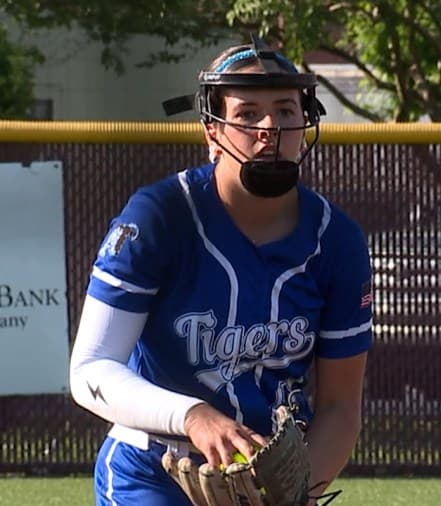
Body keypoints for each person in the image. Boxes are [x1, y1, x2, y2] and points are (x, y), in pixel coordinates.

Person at [69, 35, 372, 506]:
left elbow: (339, 407)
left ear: (306, 121)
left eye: (286, 110)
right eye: (248, 113)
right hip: (155, 468)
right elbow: (91, 369)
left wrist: (295, 494)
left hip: (272, 478)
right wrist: (192, 416)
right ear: (212, 129)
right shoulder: (159, 216)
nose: (269, 126)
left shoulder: (338, 238)